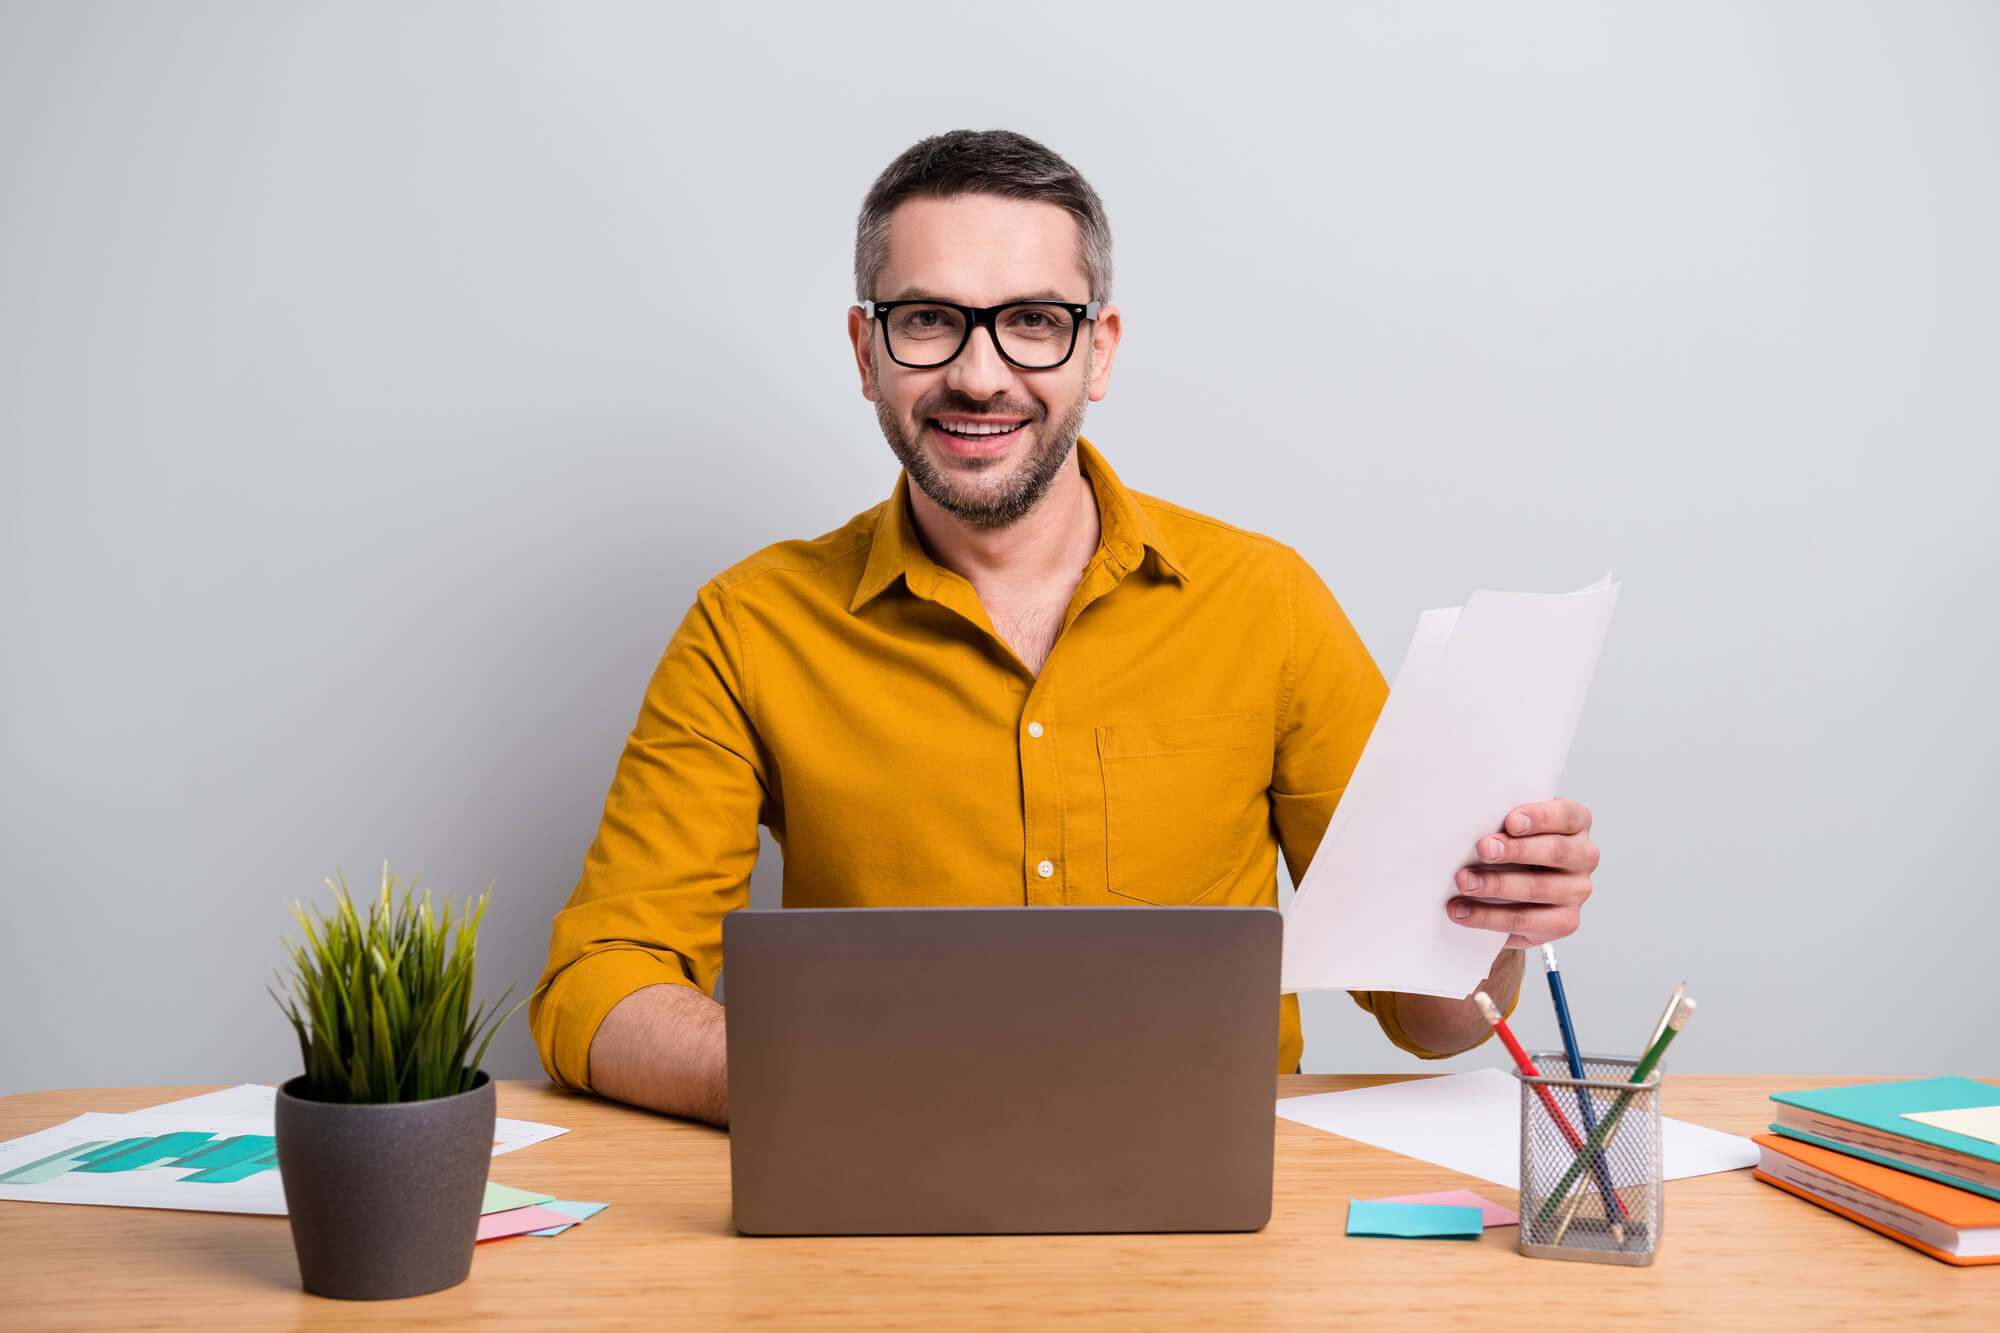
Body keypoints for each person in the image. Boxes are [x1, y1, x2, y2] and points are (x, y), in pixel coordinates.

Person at [529, 130, 1601, 1126]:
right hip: (880, 1190)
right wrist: (838, 1085)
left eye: (1034, 321)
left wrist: (1495, 928)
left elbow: (1429, 1016)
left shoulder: (1265, 602)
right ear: (865, 351)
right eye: (927, 319)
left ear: (1099, 352)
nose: (979, 373)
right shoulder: (750, 625)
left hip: (1212, 1201)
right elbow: (597, 984)